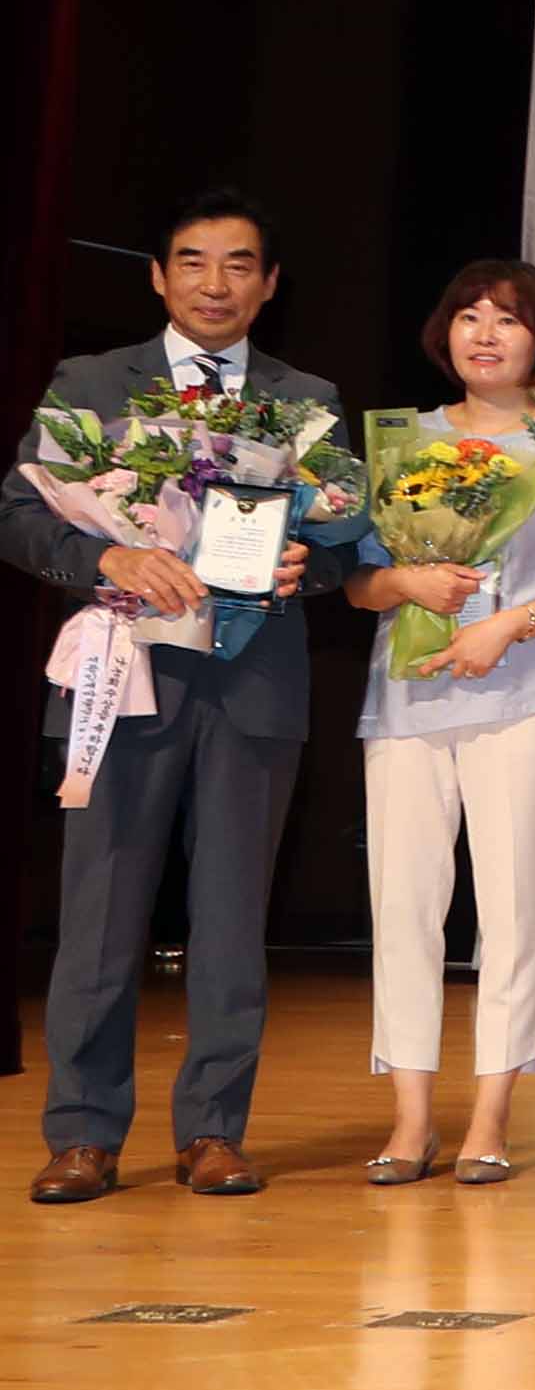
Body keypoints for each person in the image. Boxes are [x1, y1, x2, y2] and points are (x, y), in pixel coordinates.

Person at [11, 189, 332, 1203]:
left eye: (239, 264)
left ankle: (215, 1131)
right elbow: (20, 514)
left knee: (232, 917)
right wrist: (106, 554)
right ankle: (84, 1133)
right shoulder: (91, 382)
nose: (214, 283)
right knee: (100, 909)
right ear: (158, 277)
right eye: (193, 261)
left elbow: (345, 539)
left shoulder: (303, 398)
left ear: (269, 285)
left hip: (252, 682)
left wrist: (308, 567)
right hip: (125, 671)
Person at [339, 260, 535, 1188]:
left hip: (523, 700)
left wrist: (510, 623)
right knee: (403, 908)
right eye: (469, 315)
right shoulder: (400, 440)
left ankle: (491, 1114)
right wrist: (402, 582)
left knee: (513, 909)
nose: (485, 334)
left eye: (508, 319)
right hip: (408, 699)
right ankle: (411, 1117)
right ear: (444, 332)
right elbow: (357, 583)